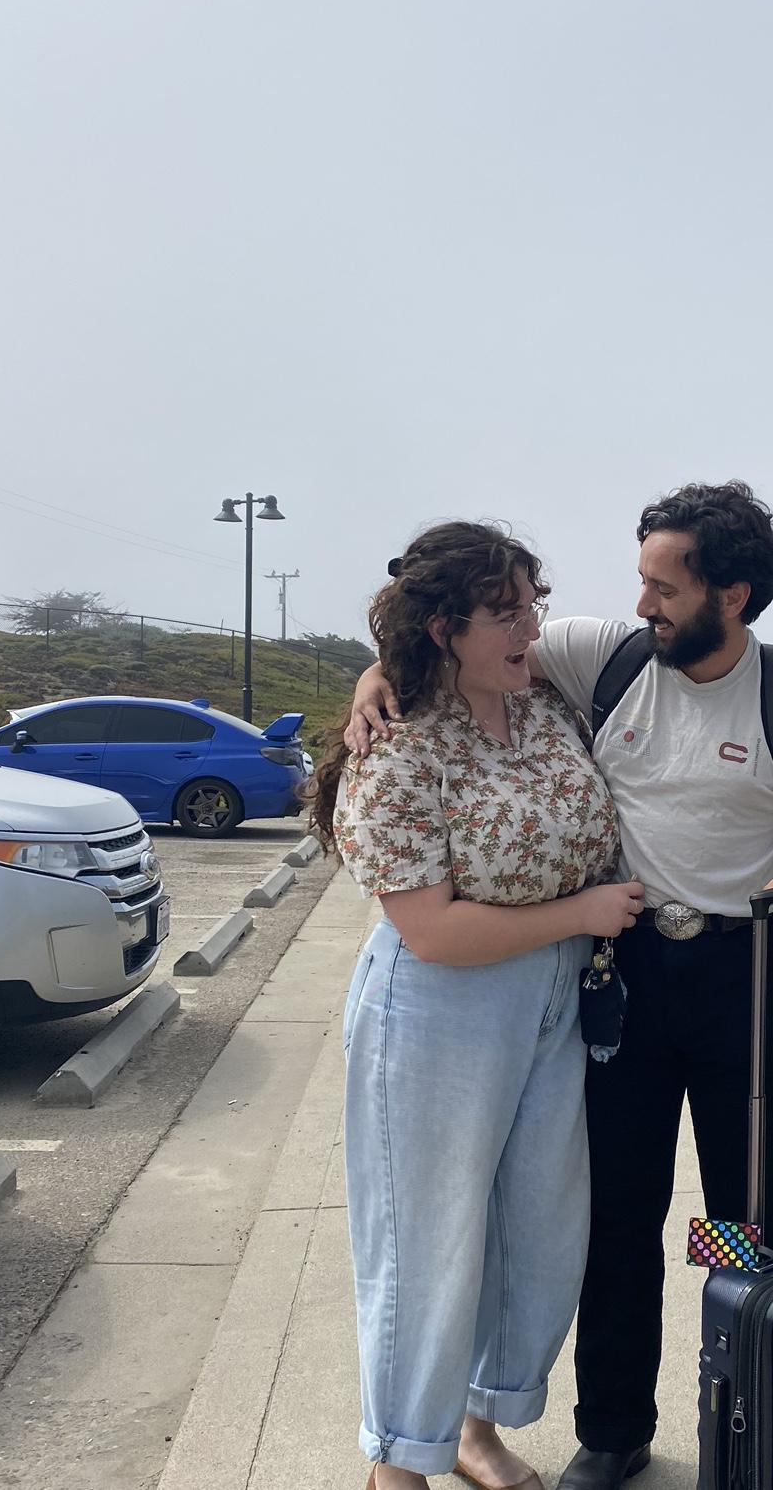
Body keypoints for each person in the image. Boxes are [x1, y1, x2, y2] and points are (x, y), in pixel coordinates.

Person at [348, 482, 773, 1488]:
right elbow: (444, 641)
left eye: (664, 587)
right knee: (616, 1216)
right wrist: (372, 678)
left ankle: (743, 1427)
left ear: (735, 594)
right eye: (640, 581)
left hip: (742, 976)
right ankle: (614, 1431)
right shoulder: (607, 656)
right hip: (624, 971)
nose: (642, 603)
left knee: (742, 1216)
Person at [311, 521, 645, 1490]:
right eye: (504, 611)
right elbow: (430, 929)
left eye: (531, 603)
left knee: (529, 1231)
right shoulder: (400, 743)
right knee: (425, 1241)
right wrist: (581, 910)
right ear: (444, 627)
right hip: (440, 1011)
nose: (529, 626)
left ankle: (468, 1429)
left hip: (549, 1002)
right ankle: (397, 1464)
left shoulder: (539, 698)